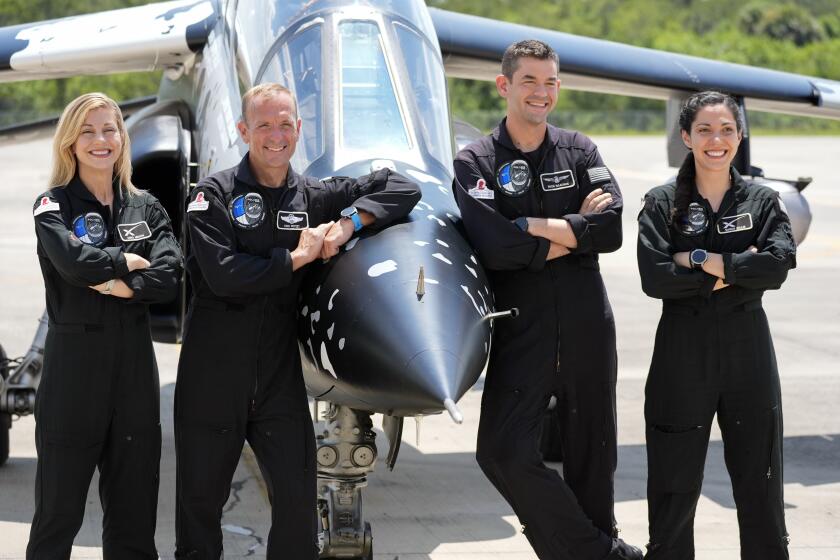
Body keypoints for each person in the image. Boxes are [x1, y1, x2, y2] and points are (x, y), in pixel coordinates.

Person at [174, 83, 420, 559]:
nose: (275, 135)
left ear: (298, 129)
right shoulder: (212, 196)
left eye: (285, 124)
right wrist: (296, 258)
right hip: (212, 376)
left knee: (297, 505)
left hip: (277, 380)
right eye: (264, 125)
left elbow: (403, 187)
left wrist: (349, 223)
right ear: (244, 130)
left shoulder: (313, 195)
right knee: (200, 509)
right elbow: (224, 276)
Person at [453, 40, 642, 560]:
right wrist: (572, 234)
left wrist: (531, 227)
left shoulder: (579, 149)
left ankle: (592, 546)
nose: (542, 92)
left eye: (550, 82)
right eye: (530, 81)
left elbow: (610, 229)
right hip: (522, 327)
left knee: (592, 455)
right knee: (502, 451)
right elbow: (495, 246)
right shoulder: (476, 161)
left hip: (587, 323)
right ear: (504, 86)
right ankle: (602, 552)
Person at [637, 90, 795, 559]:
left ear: (740, 136)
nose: (716, 139)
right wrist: (735, 269)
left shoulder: (762, 201)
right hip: (682, 353)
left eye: (726, 129)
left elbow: (778, 265)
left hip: (748, 351)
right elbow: (655, 278)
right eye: (704, 129)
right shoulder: (662, 202)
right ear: (686, 136)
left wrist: (702, 260)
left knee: (759, 481)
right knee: (673, 482)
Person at [28, 92, 182, 558]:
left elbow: (171, 274)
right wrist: (125, 260)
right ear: (70, 142)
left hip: (134, 376)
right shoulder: (52, 206)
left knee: (135, 522)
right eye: (89, 131)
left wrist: (119, 284)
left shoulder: (147, 207)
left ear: (122, 137)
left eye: (109, 129)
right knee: (58, 515)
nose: (101, 140)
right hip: (74, 375)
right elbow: (73, 262)